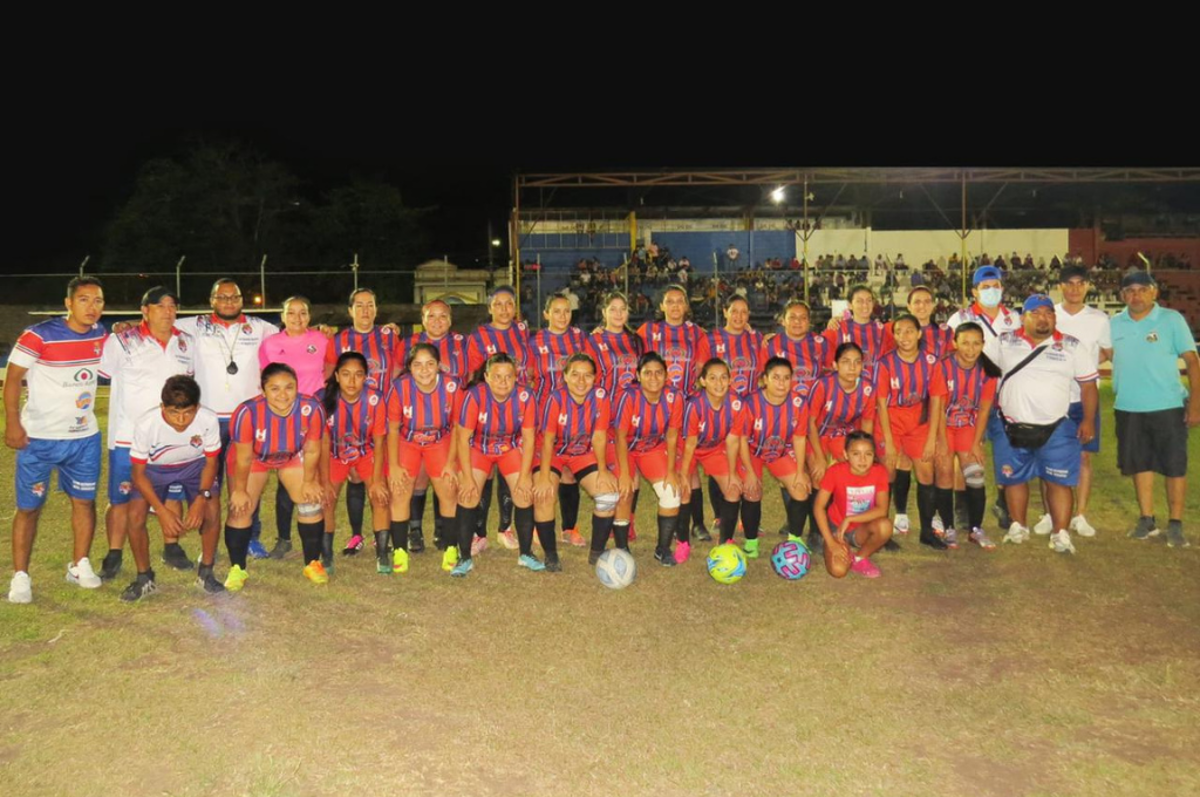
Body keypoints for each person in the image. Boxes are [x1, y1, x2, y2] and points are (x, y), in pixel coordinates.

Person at [6, 276, 108, 604]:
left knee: (83, 502)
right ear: (68, 303)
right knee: (29, 508)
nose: (92, 307)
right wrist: (12, 423)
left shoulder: (102, 335)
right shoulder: (39, 335)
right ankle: (21, 575)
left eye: (98, 301)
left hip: (83, 438)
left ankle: (79, 564)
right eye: (84, 300)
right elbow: (12, 380)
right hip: (39, 438)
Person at [95, 287, 196, 582]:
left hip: (171, 437)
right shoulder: (121, 340)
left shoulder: (185, 342)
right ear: (145, 310)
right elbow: (104, 374)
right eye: (160, 306)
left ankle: (171, 546)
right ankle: (114, 552)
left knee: (172, 494)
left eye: (172, 306)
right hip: (128, 437)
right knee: (121, 498)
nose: (168, 311)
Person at [173, 278, 279, 559]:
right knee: (209, 486)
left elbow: (293, 337)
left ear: (242, 300)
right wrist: (125, 325)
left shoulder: (262, 328)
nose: (229, 301)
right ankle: (212, 543)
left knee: (246, 483)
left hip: (248, 419)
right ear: (212, 300)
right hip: (207, 420)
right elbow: (157, 322)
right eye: (222, 297)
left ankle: (251, 537)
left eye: (235, 297)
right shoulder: (191, 326)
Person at [987, 295, 1098, 555]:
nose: (1042, 318)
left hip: (1056, 426)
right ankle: (1018, 525)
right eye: (1035, 313)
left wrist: (1089, 420)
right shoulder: (1003, 342)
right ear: (1023, 317)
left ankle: (1060, 533)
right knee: (1014, 479)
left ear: (1054, 317)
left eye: (1048, 313)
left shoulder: (1071, 346)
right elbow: (981, 374)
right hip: (1010, 424)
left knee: (1058, 482)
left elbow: (1088, 386)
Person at [1109, 271, 1200, 547]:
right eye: (1130, 290)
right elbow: (1099, 354)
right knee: (1140, 464)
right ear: (1123, 295)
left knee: (1174, 467)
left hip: (1168, 406)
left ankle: (1175, 524)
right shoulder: (1114, 324)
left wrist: (1196, 403)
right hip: (1128, 406)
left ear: (1154, 292)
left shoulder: (1171, 320)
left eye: (1142, 289)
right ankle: (1146, 519)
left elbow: (1192, 361)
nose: (1136, 295)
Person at [121, 375, 224, 601]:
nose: (181, 420)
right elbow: (138, 474)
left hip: (194, 467)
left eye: (187, 413)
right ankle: (144, 577)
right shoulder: (146, 424)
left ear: (197, 408)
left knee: (212, 510)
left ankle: (206, 573)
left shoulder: (208, 419)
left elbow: (211, 464)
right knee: (135, 516)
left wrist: (200, 500)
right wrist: (161, 510)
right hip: (154, 470)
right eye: (173, 413)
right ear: (162, 407)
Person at [224, 363, 326, 590]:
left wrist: (309, 481)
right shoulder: (247, 412)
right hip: (254, 458)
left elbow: (311, 449)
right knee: (241, 508)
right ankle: (237, 569)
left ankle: (312, 563)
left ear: (297, 387)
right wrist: (239, 490)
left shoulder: (311, 407)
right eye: (275, 389)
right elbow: (243, 458)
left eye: (289, 387)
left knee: (311, 502)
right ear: (263, 390)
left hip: (289, 456)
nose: (283, 394)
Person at [1028, 266, 1112, 538]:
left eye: (1080, 283)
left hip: (1085, 399)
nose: (1075, 288)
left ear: (1087, 286)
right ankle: (1047, 513)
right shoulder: (1049, 314)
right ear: (1060, 286)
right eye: (1069, 283)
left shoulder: (1098, 318)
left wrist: (1081, 367)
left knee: (1084, 456)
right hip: (1054, 400)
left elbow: (1107, 352)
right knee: (1047, 456)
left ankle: (1080, 515)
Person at [323, 288, 397, 557]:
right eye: (360, 305)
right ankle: (356, 535)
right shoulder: (338, 339)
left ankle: (384, 540)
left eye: (370, 305)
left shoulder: (389, 336)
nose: (365, 311)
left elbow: (400, 369)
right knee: (351, 479)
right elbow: (328, 375)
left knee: (378, 481)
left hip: (380, 416)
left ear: (377, 309)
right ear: (350, 310)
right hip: (345, 419)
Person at [947, 265, 1022, 531]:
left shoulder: (1015, 318)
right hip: (969, 399)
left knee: (1006, 453)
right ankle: (962, 507)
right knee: (964, 453)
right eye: (985, 286)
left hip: (1005, 398)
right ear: (974, 291)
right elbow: (950, 353)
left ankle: (1003, 502)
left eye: (995, 285)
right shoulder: (960, 318)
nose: (991, 291)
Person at [258, 296, 331, 562]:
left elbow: (330, 368)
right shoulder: (271, 344)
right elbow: (267, 381)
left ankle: (320, 539)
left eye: (302, 313)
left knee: (316, 475)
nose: (297, 318)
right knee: (286, 479)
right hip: (283, 418)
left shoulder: (321, 340)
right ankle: (284, 539)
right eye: (292, 313)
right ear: (283, 315)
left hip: (313, 417)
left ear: (310, 317)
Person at [452, 353, 537, 577]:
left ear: (516, 377)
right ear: (487, 377)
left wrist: (525, 475)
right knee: (468, 494)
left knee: (524, 493)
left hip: (509, 448)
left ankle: (526, 554)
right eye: (497, 376)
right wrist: (468, 477)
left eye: (508, 376)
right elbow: (462, 438)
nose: (503, 382)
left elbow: (528, 438)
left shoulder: (525, 396)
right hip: (479, 448)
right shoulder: (474, 396)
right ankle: (464, 558)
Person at [394, 298, 469, 553]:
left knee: (447, 483)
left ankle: (445, 536)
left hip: (444, 426)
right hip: (412, 429)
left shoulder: (463, 343)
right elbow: (394, 373)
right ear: (422, 319)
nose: (438, 321)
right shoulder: (405, 347)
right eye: (431, 316)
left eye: (443, 316)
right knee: (411, 483)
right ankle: (412, 533)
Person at [533, 353, 620, 568]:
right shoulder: (556, 398)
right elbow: (548, 440)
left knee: (608, 495)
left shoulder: (601, 396)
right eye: (575, 375)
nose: (581, 381)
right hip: (552, 452)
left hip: (582, 451)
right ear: (565, 377)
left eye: (587, 375)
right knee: (545, 496)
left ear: (595, 377)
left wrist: (602, 470)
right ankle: (551, 555)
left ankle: (596, 553)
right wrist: (544, 476)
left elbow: (599, 436)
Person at [387, 343, 463, 574]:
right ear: (409, 367)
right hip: (407, 440)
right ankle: (400, 549)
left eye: (430, 364)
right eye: (417, 365)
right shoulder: (400, 388)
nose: (424, 370)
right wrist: (394, 465)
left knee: (448, 490)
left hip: (440, 440)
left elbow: (458, 427)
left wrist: (451, 462)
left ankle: (451, 546)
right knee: (399, 491)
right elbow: (392, 429)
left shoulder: (452, 386)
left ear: (438, 365)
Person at [637, 284, 706, 540]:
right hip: (654, 406)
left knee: (689, 467)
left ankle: (697, 524)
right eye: (670, 301)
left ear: (686, 306)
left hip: (685, 407)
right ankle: (631, 524)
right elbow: (624, 342)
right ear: (662, 306)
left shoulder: (696, 333)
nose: (676, 306)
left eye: (680, 301)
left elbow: (702, 366)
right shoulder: (648, 330)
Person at [465, 287, 530, 553]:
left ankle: (505, 528)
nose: (504, 309)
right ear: (490, 307)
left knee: (509, 464)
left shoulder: (522, 330)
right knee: (486, 468)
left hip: (517, 407)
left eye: (509, 304)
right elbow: (472, 372)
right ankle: (479, 533)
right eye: (499, 304)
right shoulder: (479, 335)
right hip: (488, 408)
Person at [930, 322, 1002, 550]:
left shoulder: (988, 372)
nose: (971, 349)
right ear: (955, 344)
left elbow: (983, 410)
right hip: (945, 426)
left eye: (976, 344)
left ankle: (975, 529)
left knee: (975, 474)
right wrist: (941, 441)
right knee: (944, 472)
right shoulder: (942, 367)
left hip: (968, 427)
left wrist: (977, 442)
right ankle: (949, 527)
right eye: (965, 343)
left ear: (983, 344)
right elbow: (938, 407)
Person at [319, 352, 391, 574]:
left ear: (366, 377)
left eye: (358, 375)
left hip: (365, 452)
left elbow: (379, 441)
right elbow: (321, 445)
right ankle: (327, 555)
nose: (352, 381)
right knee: (327, 500)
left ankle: (382, 553)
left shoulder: (375, 399)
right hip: (334, 454)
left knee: (380, 497)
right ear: (337, 376)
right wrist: (324, 481)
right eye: (346, 375)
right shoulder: (322, 399)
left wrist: (378, 480)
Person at [734, 358, 814, 554]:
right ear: (765, 380)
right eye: (776, 378)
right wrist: (750, 472)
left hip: (780, 452)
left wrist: (800, 471)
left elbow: (799, 438)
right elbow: (742, 441)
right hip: (751, 452)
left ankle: (794, 539)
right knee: (752, 491)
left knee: (800, 488)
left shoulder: (799, 403)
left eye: (786, 378)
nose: (781, 383)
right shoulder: (750, 402)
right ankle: (751, 542)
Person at [874, 314, 939, 550]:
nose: (904, 336)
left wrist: (932, 438)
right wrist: (889, 442)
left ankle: (926, 532)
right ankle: (882, 533)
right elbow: (880, 403)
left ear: (919, 333)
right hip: (889, 423)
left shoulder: (931, 362)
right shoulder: (885, 363)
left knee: (926, 475)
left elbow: (936, 402)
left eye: (909, 331)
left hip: (917, 424)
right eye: (899, 331)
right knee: (887, 476)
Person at [528, 294, 588, 548]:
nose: (562, 316)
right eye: (557, 311)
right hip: (545, 418)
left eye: (566, 311)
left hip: (574, 418)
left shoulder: (581, 339)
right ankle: (539, 527)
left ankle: (569, 528)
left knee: (570, 475)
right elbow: (529, 377)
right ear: (546, 314)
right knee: (545, 473)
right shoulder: (535, 342)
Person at [614, 352, 684, 567]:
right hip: (623, 447)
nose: (653, 378)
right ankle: (622, 547)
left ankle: (662, 549)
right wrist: (625, 474)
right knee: (626, 490)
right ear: (638, 375)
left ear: (666, 376)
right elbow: (619, 436)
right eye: (647, 373)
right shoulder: (629, 396)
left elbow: (672, 435)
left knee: (672, 493)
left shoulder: (675, 397)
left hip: (651, 447)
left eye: (658, 373)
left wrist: (672, 470)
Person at [678, 359, 745, 562]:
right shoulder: (694, 405)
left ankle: (725, 542)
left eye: (724, 377)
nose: (719, 383)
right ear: (703, 381)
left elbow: (733, 442)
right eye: (713, 378)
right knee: (684, 491)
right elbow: (689, 444)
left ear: (730, 380)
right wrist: (683, 475)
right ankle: (682, 542)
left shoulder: (736, 403)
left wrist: (733, 474)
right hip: (688, 448)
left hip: (713, 448)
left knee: (734, 489)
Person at [813, 431, 894, 579]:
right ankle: (839, 546)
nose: (862, 460)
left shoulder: (880, 472)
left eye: (868, 454)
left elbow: (882, 510)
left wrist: (850, 519)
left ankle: (859, 558)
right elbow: (818, 507)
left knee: (885, 526)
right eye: (856, 454)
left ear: (874, 455)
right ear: (845, 454)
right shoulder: (835, 472)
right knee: (838, 571)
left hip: (862, 528)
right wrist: (831, 543)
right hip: (838, 530)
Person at [808, 342, 877, 465]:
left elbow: (867, 421)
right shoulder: (823, 385)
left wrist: (865, 449)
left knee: (856, 465)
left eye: (857, 362)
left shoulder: (868, 388)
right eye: (846, 362)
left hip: (844, 434)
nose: (852, 367)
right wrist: (820, 457)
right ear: (835, 365)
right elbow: (810, 423)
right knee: (818, 473)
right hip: (817, 435)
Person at [824, 284, 893, 380]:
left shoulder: (883, 331)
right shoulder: (837, 328)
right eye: (859, 301)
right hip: (845, 391)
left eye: (869, 300)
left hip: (875, 391)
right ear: (850, 305)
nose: (865, 305)